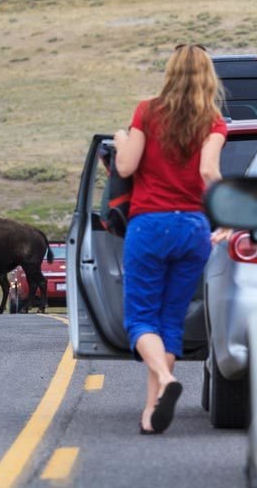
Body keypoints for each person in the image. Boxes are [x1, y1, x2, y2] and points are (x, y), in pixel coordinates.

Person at [113, 43, 226, 434]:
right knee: (170, 323)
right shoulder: (212, 120)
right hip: (193, 228)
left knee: (141, 320)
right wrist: (229, 217)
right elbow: (210, 172)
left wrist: (120, 138)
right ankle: (151, 412)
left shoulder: (147, 110)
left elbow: (126, 165)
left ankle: (165, 380)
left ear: (170, 72)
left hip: (150, 226)